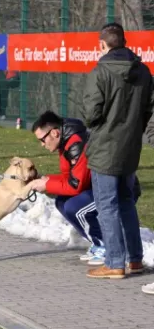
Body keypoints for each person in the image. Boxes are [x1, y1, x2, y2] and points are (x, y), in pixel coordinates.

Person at [80, 22, 154, 279]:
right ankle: (134, 259)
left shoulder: (100, 72)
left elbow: (91, 115)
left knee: (107, 206)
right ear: (123, 42)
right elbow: (148, 110)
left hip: (105, 148)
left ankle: (114, 262)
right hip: (130, 147)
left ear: (102, 45)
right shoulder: (143, 71)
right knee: (125, 203)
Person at [30, 111, 106, 265]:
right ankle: (97, 243)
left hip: (113, 190)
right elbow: (70, 177)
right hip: (94, 186)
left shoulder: (76, 143)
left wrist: (47, 185)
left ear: (55, 133)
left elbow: (76, 185)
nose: (42, 145)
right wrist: (47, 179)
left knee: (74, 207)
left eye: (42, 140)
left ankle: (105, 246)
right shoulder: (66, 143)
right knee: (61, 202)